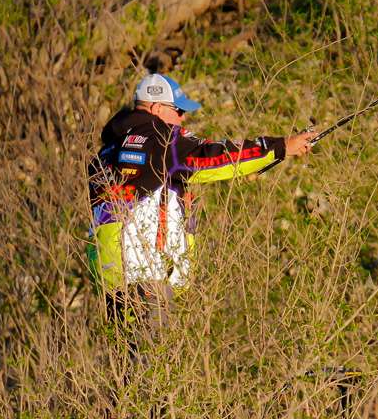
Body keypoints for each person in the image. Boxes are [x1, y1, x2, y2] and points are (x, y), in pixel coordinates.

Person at [87, 73, 316, 331]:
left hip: (111, 276)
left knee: (127, 354)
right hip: (146, 275)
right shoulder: (160, 137)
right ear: (156, 108)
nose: (182, 119)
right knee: (152, 354)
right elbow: (213, 157)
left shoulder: (109, 148)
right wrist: (280, 146)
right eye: (178, 111)